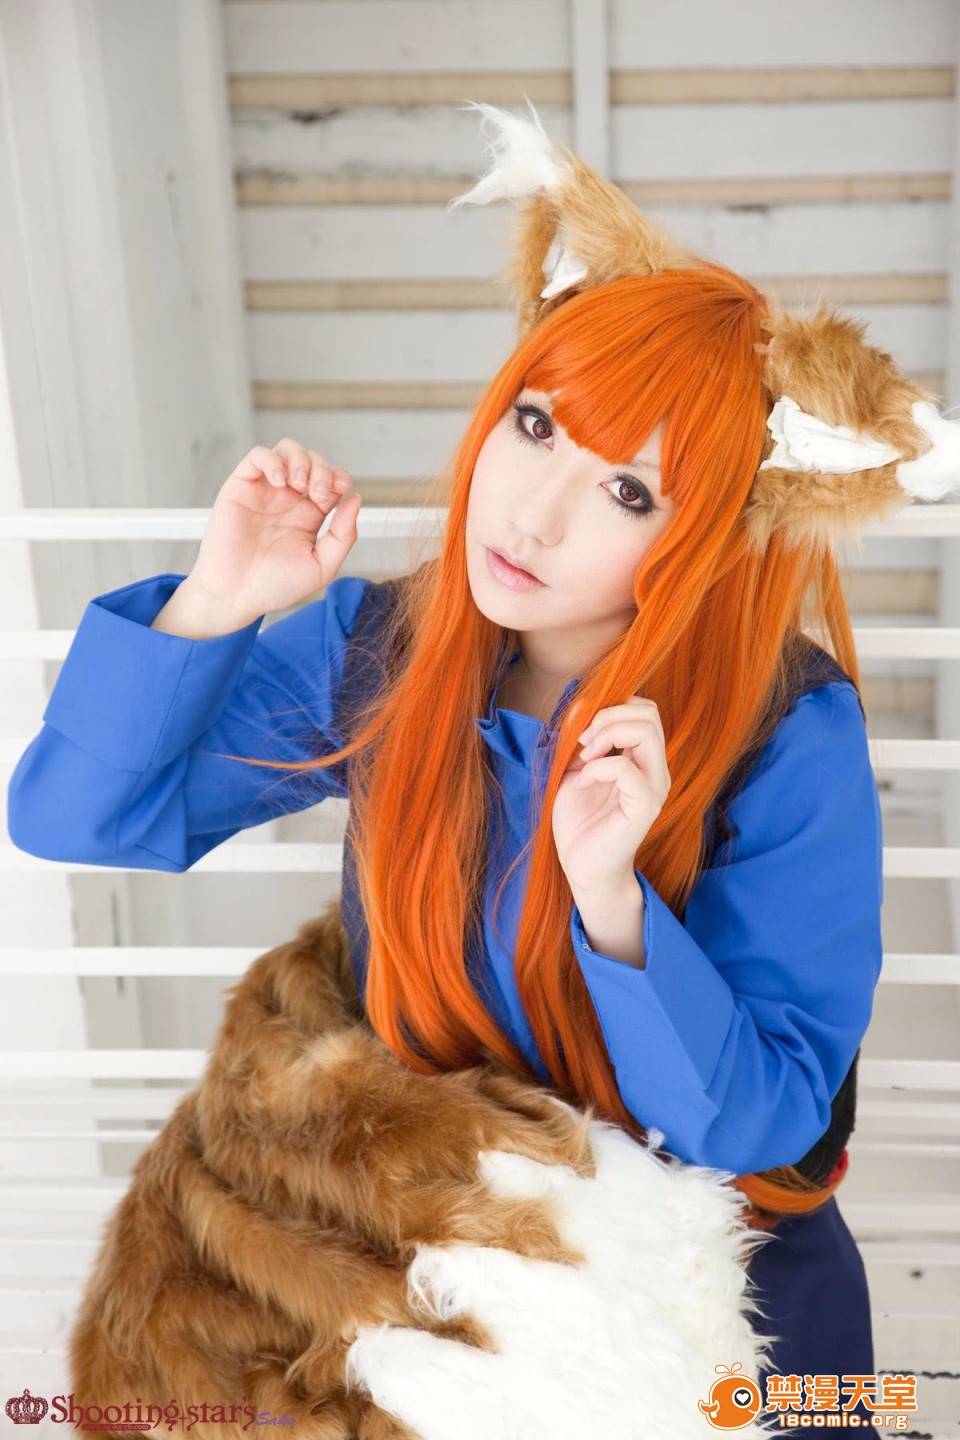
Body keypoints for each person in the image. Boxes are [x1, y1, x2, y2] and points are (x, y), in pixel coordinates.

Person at [9, 99, 956, 1408]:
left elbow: (759, 1119)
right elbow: (71, 817)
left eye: (630, 491)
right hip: (434, 1258)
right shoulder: (383, 650)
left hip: (711, 1293)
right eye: (538, 424)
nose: (537, 511)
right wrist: (219, 603)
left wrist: (613, 902)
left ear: (706, 537)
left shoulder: (784, 733)